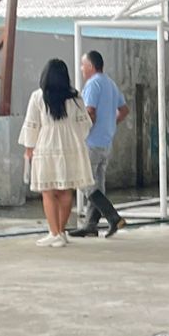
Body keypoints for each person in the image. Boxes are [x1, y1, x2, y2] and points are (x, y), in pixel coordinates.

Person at [19, 58, 124, 246]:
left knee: (48, 191)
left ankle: (54, 233)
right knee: (65, 190)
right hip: (71, 147)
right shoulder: (75, 97)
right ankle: (61, 231)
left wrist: (29, 149)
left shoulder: (38, 97)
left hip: (46, 146)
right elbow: (85, 125)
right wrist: (73, 137)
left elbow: (32, 125)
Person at [70, 49, 129, 237]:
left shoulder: (93, 84)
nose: (81, 68)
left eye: (83, 65)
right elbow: (124, 110)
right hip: (106, 142)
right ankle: (90, 225)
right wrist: (111, 123)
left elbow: (90, 112)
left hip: (92, 141)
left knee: (83, 181)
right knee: (98, 185)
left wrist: (80, 132)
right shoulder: (110, 83)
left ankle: (113, 217)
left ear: (90, 66)